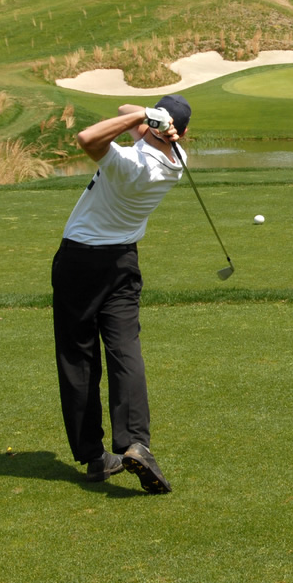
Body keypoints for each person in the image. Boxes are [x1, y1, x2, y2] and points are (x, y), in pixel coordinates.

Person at [50, 94, 192, 493]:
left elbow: (86, 137)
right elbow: (124, 112)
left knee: (78, 357)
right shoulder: (177, 158)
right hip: (123, 264)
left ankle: (94, 457)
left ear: (155, 128)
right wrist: (150, 117)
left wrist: (147, 117)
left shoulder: (130, 165)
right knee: (125, 350)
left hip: (80, 262)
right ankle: (134, 443)